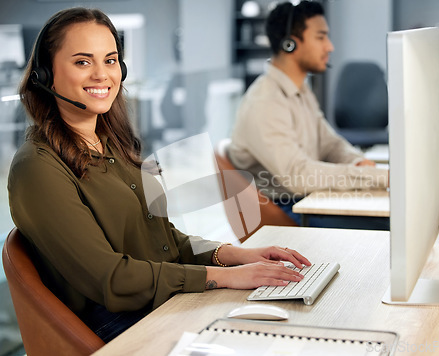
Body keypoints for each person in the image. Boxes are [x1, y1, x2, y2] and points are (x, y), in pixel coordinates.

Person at [8, 7, 310, 343]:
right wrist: (225, 278)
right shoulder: (37, 168)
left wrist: (237, 256)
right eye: (82, 61)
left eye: (110, 60)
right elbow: (112, 278)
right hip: (119, 326)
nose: (101, 74)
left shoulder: (111, 145)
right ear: (45, 74)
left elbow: (163, 242)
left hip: (157, 304)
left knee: (295, 322)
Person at [228, 1, 389, 226]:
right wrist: (374, 178)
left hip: (305, 198)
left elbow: (329, 144)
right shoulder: (265, 101)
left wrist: (357, 161)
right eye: (321, 37)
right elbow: (298, 175)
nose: (330, 47)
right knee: (388, 224)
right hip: (284, 210)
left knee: (390, 213)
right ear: (290, 45)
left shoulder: (301, 91)